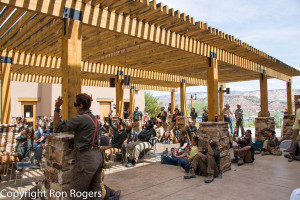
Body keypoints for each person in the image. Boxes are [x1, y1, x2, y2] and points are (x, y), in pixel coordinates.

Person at [53, 94, 103, 199]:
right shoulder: (94, 118)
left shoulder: (81, 119)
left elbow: (57, 127)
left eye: (75, 104)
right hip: (98, 157)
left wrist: (57, 108)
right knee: (95, 192)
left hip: (87, 159)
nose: (74, 106)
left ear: (80, 106)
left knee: (75, 194)